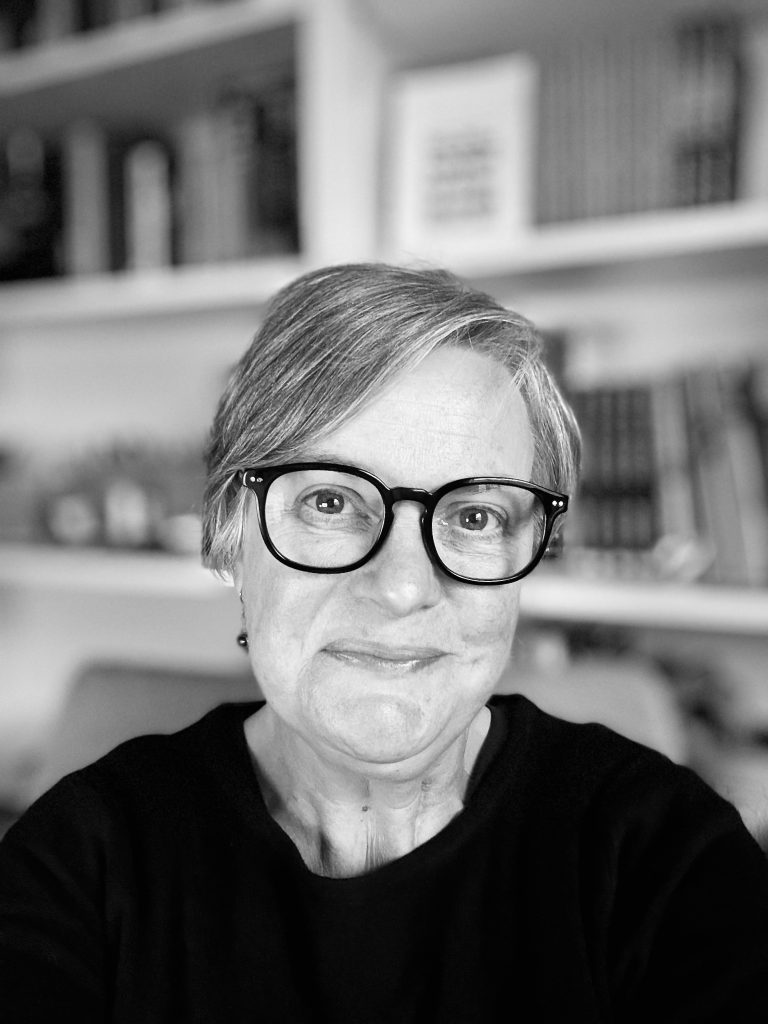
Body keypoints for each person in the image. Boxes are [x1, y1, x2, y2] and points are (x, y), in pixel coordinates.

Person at [1, 262, 767, 1021]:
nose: (403, 586)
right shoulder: (81, 863)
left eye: (475, 517)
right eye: (332, 501)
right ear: (229, 537)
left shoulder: (666, 860)